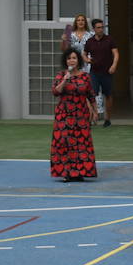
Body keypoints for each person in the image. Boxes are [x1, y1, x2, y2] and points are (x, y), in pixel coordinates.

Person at [50, 47, 97, 182]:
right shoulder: (61, 75)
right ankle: (67, 172)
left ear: (78, 60)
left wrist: (95, 112)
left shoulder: (85, 77)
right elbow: (55, 92)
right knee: (64, 142)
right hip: (64, 115)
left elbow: (91, 95)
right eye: (69, 58)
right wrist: (65, 80)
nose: (72, 60)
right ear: (66, 61)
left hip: (81, 115)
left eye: (74, 58)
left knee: (81, 143)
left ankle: (80, 172)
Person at [84, 18, 119, 126]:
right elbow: (84, 53)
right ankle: (92, 116)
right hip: (94, 72)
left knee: (108, 95)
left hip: (107, 72)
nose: (101, 29)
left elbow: (116, 53)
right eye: (98, 28)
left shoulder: (109, 40)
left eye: (102, 27)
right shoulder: (90, 41)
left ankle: (107, 119)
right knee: (91, 95)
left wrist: (114, 65)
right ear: (94, 29)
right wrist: (87, 59)